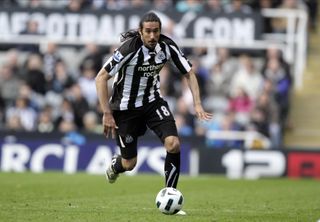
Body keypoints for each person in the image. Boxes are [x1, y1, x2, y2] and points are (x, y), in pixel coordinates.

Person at [95, 12, 212, 190]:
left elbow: (189, 73)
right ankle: (116, 165)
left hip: (152, 102)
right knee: (129, 164)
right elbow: (101, 78)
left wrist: (197, 104)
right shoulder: (128, 49)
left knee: (173, 144)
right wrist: (106, 113)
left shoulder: (167, 46)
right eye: (148, 31)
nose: (152, 36)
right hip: (125, 109)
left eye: (156, 31)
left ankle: (170, 193)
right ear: (140, 32)